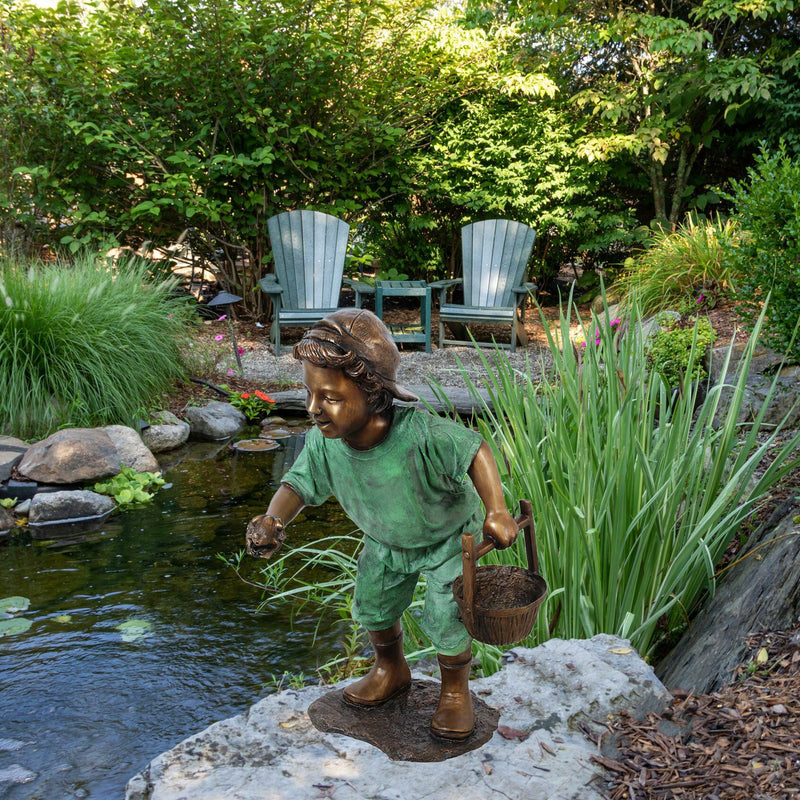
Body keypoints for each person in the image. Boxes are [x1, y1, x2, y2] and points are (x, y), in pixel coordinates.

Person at [246, 308, 518, 740]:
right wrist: (273, 517)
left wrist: (497, 510)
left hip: (448, 538)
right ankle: (391, 669)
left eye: (330, 397)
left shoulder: (421, 434)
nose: (314, 408)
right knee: (373, 602)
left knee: (447, 612)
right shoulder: (324, 444)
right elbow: (297, 483)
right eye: (310, 393)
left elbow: (475, 449)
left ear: (373, 392)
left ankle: (454, 692)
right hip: (386, 541)